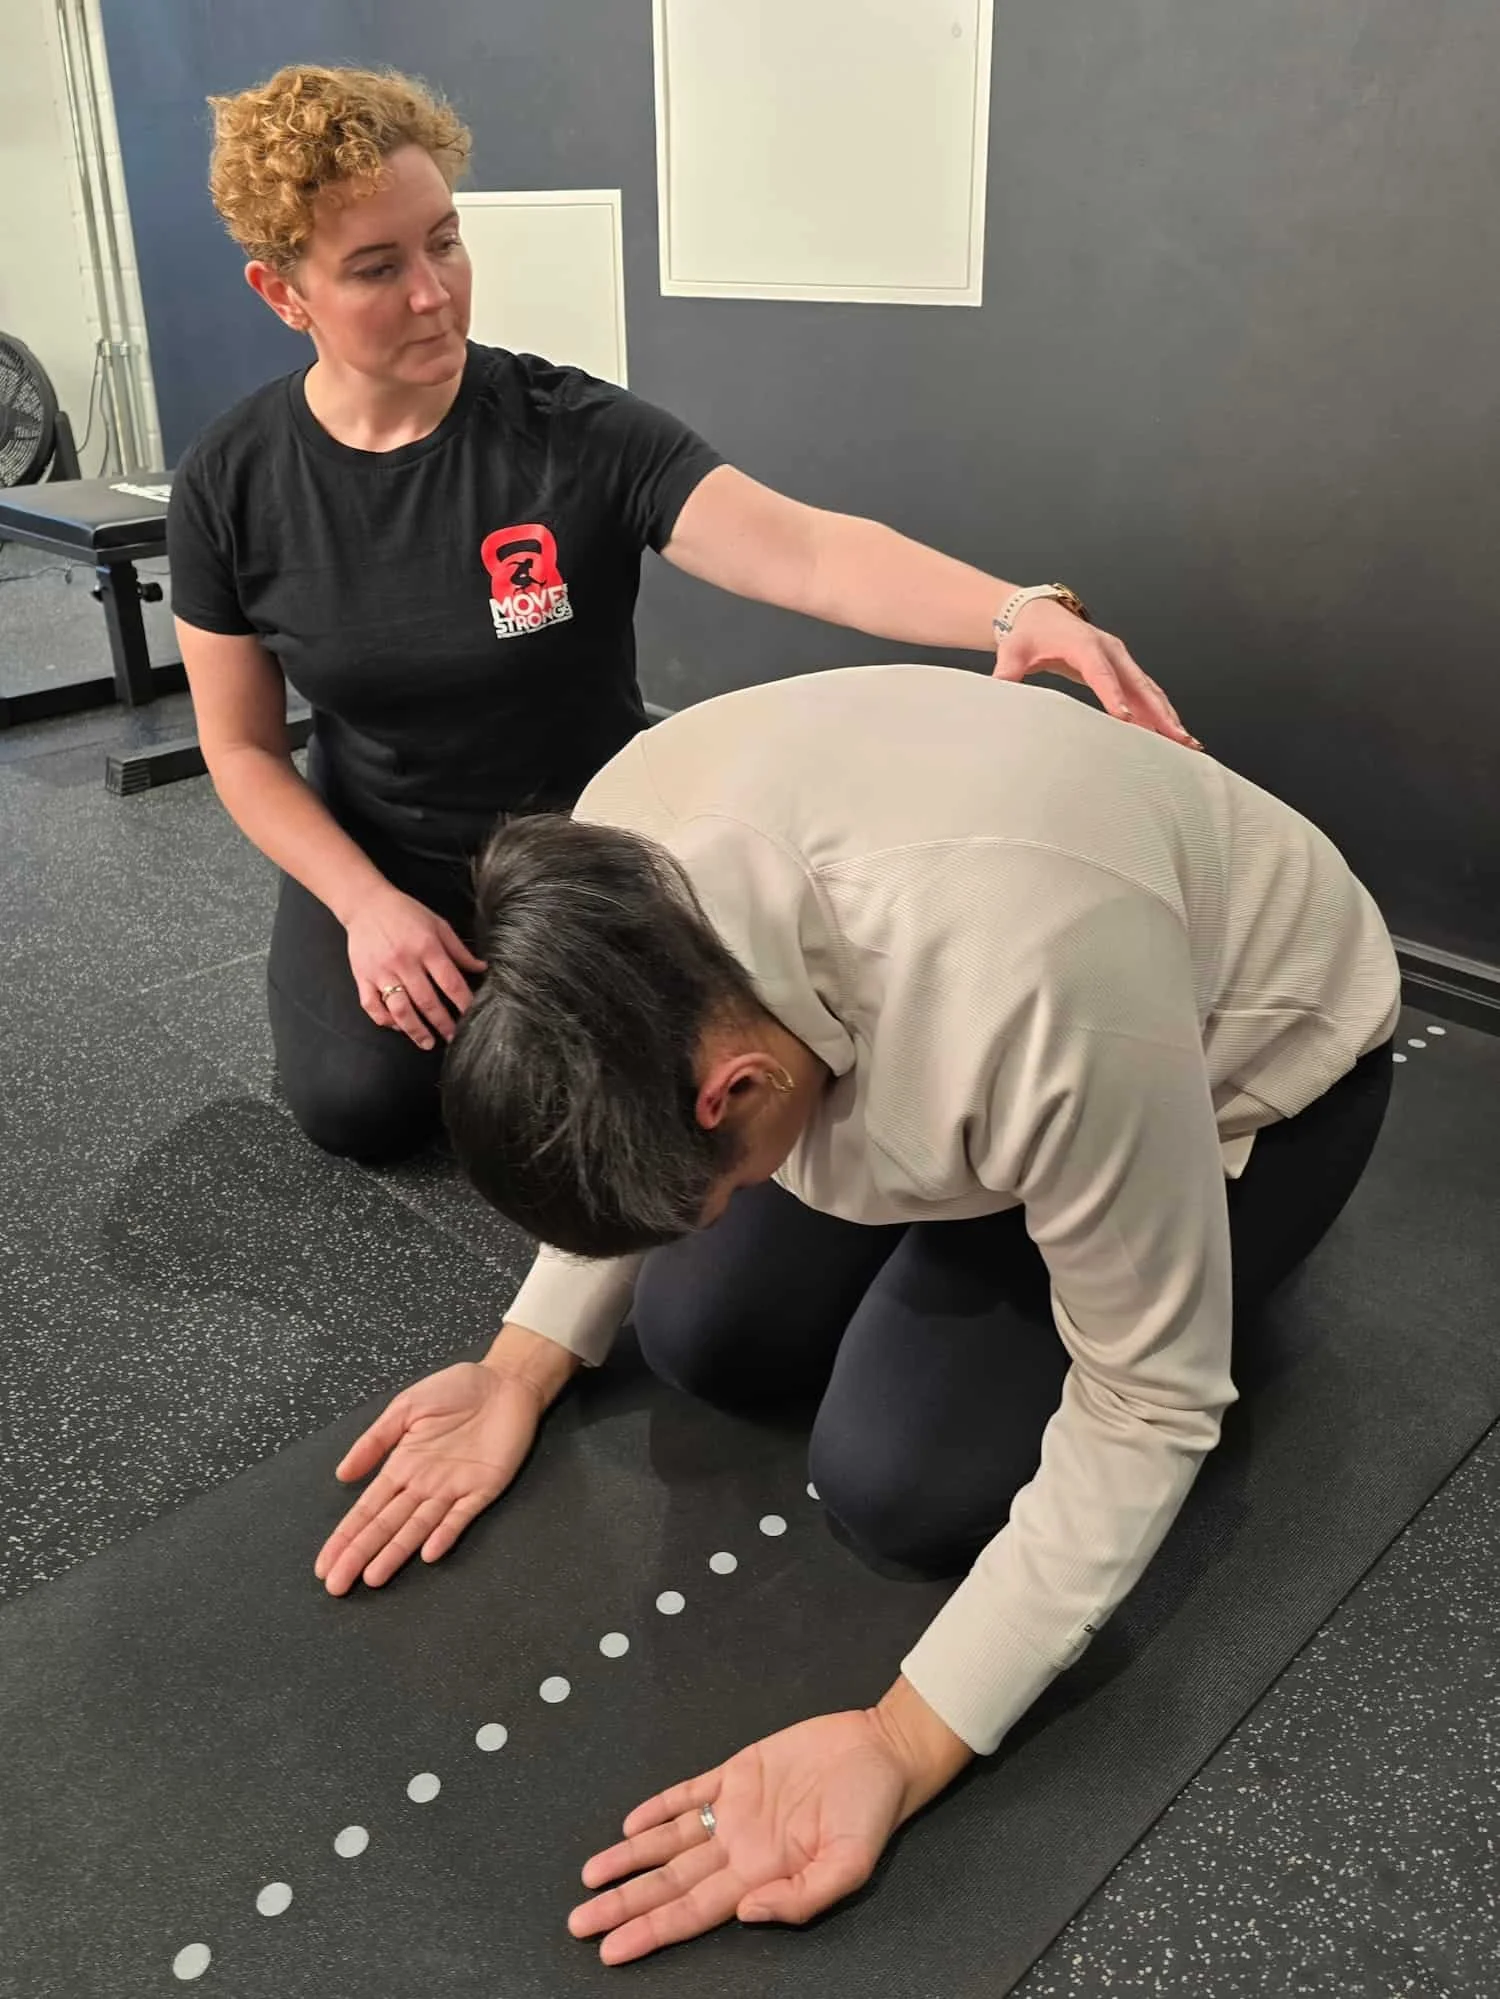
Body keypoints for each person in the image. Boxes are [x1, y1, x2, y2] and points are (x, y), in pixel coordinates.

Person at [314, 663, 1400, 1965]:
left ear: (736, 1087)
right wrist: (523, 1359)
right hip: (959, 1016)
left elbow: (1153, 1393)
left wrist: (904, 1736)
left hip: (1247, 1068)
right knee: (703, 1334)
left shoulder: (1043, 989)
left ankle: (1078, 1197)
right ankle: (987, 1184)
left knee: (900, 1485)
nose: (703, 1216)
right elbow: (613, 1097)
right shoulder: (612, 879)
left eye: (701, 1191)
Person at [167, 63, 1199, 1164]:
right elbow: (237, 746)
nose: (434, 292)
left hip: (593, 836)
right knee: (358, 1108)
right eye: (376, 268)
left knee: (645, 1107)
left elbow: (803, 548)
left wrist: (1013, 610)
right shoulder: (233, 481)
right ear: (283, 294)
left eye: (446, 241)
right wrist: (363, 903)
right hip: (381, 841)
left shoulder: (573, 431)